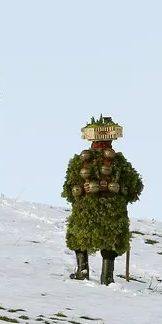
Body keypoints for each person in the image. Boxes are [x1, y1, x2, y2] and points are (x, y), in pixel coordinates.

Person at [61, 115, 144, 285]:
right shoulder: (119, 162)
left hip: (86, 208)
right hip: (113, 209)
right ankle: (107, 276)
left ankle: (82, 271)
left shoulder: (79, 161)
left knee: (80, 237)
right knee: (110, 240)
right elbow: (134, 185)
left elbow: (69, 188)